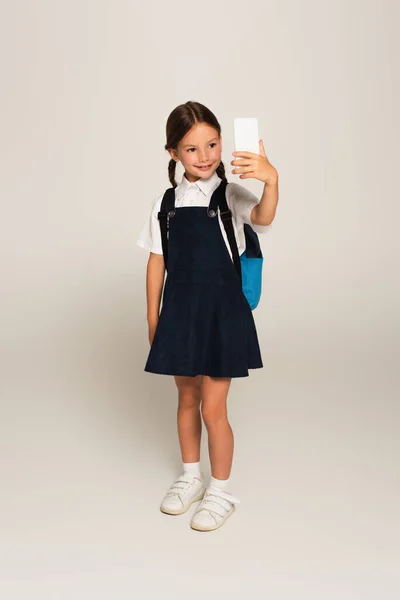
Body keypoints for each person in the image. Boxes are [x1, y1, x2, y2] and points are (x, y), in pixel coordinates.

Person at [137, 101, 279, 531]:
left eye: (212, 143)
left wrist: (271, 180)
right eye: (192, 148)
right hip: (180, 312)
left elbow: (263, 217)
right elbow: (157, 261)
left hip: (221, 313)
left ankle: (220, 490)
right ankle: (190, 477)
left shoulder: (230, 194)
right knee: (186, 399)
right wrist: (152, 317)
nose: (205, 156)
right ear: (173, 154)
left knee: (214, 408)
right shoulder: (165, 202)